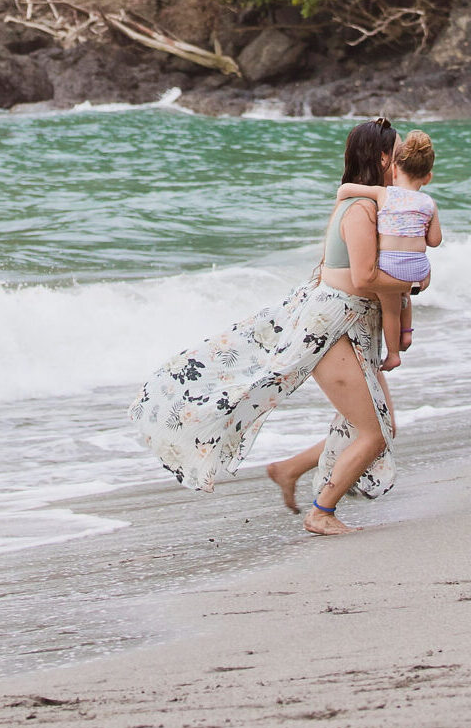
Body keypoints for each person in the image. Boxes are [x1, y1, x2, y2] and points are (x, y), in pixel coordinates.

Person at [130, 118, 399, 538]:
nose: (400, 162)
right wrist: (413, 283)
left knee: (378, 426)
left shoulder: (365, 201)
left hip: (349, 326)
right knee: (372, 432)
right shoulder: (362, 209)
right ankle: (321, 512)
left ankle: (289, 469)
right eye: (396, 154)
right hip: (333, 329)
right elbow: (365, 279)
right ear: (383, 157)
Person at [334, 128, 442, 370]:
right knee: (404, 291)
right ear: (428, 178)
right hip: (419, 267)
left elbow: (344, 191)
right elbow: (434, 240)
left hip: (391, 265)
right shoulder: (429, 202)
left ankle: (394, 353)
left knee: (391, 304)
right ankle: (407, 334)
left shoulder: (384, 194)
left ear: (394, 169)